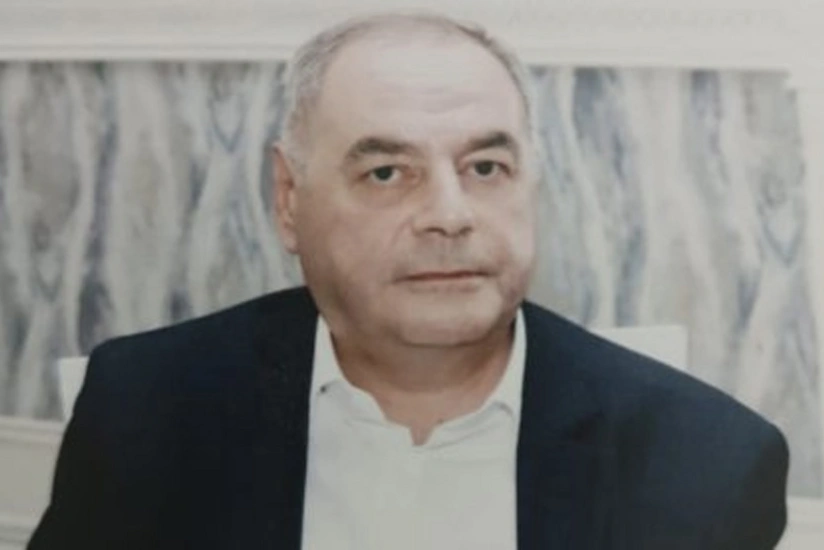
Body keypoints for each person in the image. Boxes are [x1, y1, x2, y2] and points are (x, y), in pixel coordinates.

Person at [28, 11, 789, 550]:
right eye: (387, 172)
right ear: (289, 201)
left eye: (485, 167)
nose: (450, 216)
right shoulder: (146, 409)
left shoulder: (706, 460)